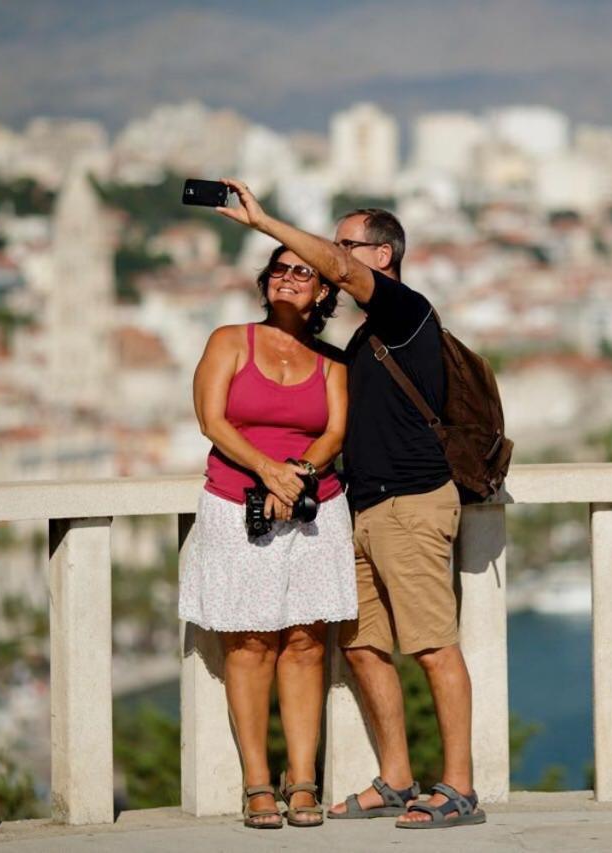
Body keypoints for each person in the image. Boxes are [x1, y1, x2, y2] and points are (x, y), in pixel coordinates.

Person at [216, 181, 485, 830]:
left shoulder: (404, 310)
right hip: (362, 511)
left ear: (382, 256)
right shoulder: (363, 338)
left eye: (344, 245)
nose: (332, 256)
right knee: (364, 646)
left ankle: (460, 786)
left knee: (433, 645)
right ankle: (396, 776)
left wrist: (266, 224)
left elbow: (335, 271)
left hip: (412, 504)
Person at [178, 245, 356, 830]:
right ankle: (258, 782)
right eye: (278, 269)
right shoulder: (230, 341)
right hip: (236, 505)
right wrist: (268, 470)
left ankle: (301, 780)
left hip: (311, 509)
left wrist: (297, 473)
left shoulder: (333, 362)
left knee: (306, 641)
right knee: (249, 644)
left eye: (301, 271)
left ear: (324, 292)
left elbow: (334, 433)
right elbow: (212, 419)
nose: (287, 278)